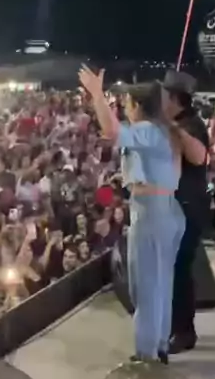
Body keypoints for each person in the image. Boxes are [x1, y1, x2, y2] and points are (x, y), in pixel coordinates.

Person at [79, 66, 184, 363]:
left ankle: (147, 355)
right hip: (165, 210)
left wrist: (97, 94)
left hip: (152, 214)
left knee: (147, 287)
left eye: (126, 103)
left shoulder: (148, 130)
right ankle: (159, 345)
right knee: (161, 284)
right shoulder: (161, 131)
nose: (124, 108)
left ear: (137, 105)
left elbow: (112, 131)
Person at [162, 70, 209, 352]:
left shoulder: (192, 125)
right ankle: (175, 326)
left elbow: (198, 156)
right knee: (173, 268)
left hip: (188, 207)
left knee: (180, 268)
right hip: (174, 206)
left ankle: (184, 331)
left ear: (175, 98)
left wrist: (173, 129)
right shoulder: (177, 124)